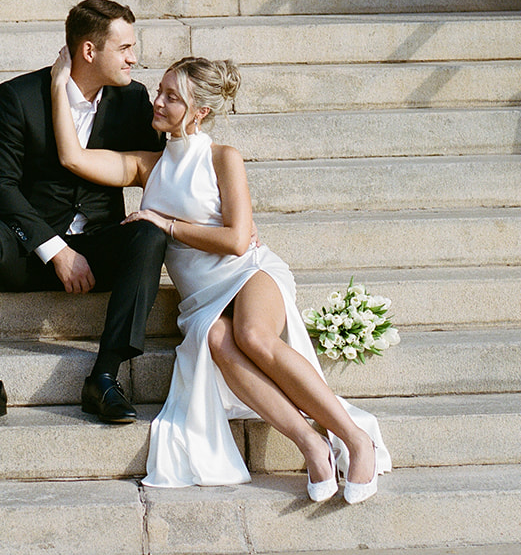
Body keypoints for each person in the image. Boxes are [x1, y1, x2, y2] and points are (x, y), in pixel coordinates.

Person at [49, 52, 391, 504]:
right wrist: (59, 84)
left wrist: (162, 223)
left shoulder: (223, 158)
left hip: (248, 272)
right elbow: (72, 157)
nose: (157, 101)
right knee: (217, 340)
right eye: (160, 91)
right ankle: (311, 445)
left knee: (252, 333)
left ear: (201, 110)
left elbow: (236, 240)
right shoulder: (145, 166)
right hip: (201, 298)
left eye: (172, 96)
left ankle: (354, 437)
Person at [0, 0, 168, 429]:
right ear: (90, 51)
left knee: (149, 236)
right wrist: (56, 251)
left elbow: (165, 164)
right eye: (124, 48)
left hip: (101, 246)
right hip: (31, 249)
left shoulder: (134, 98)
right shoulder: (18, 96)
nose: (134, 58)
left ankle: (104, 377)